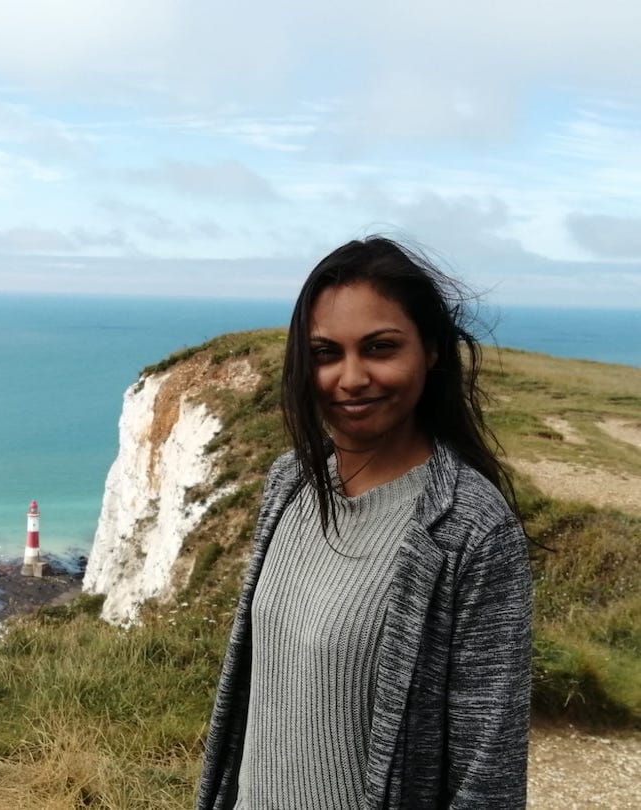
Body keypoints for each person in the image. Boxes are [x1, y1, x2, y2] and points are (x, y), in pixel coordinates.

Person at [196, 237, 532, 809]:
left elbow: (488, 773)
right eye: (326, 353)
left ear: (430, 351)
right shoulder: (291, 483)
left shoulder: (472, 529)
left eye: (379, 348)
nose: (350, 378)